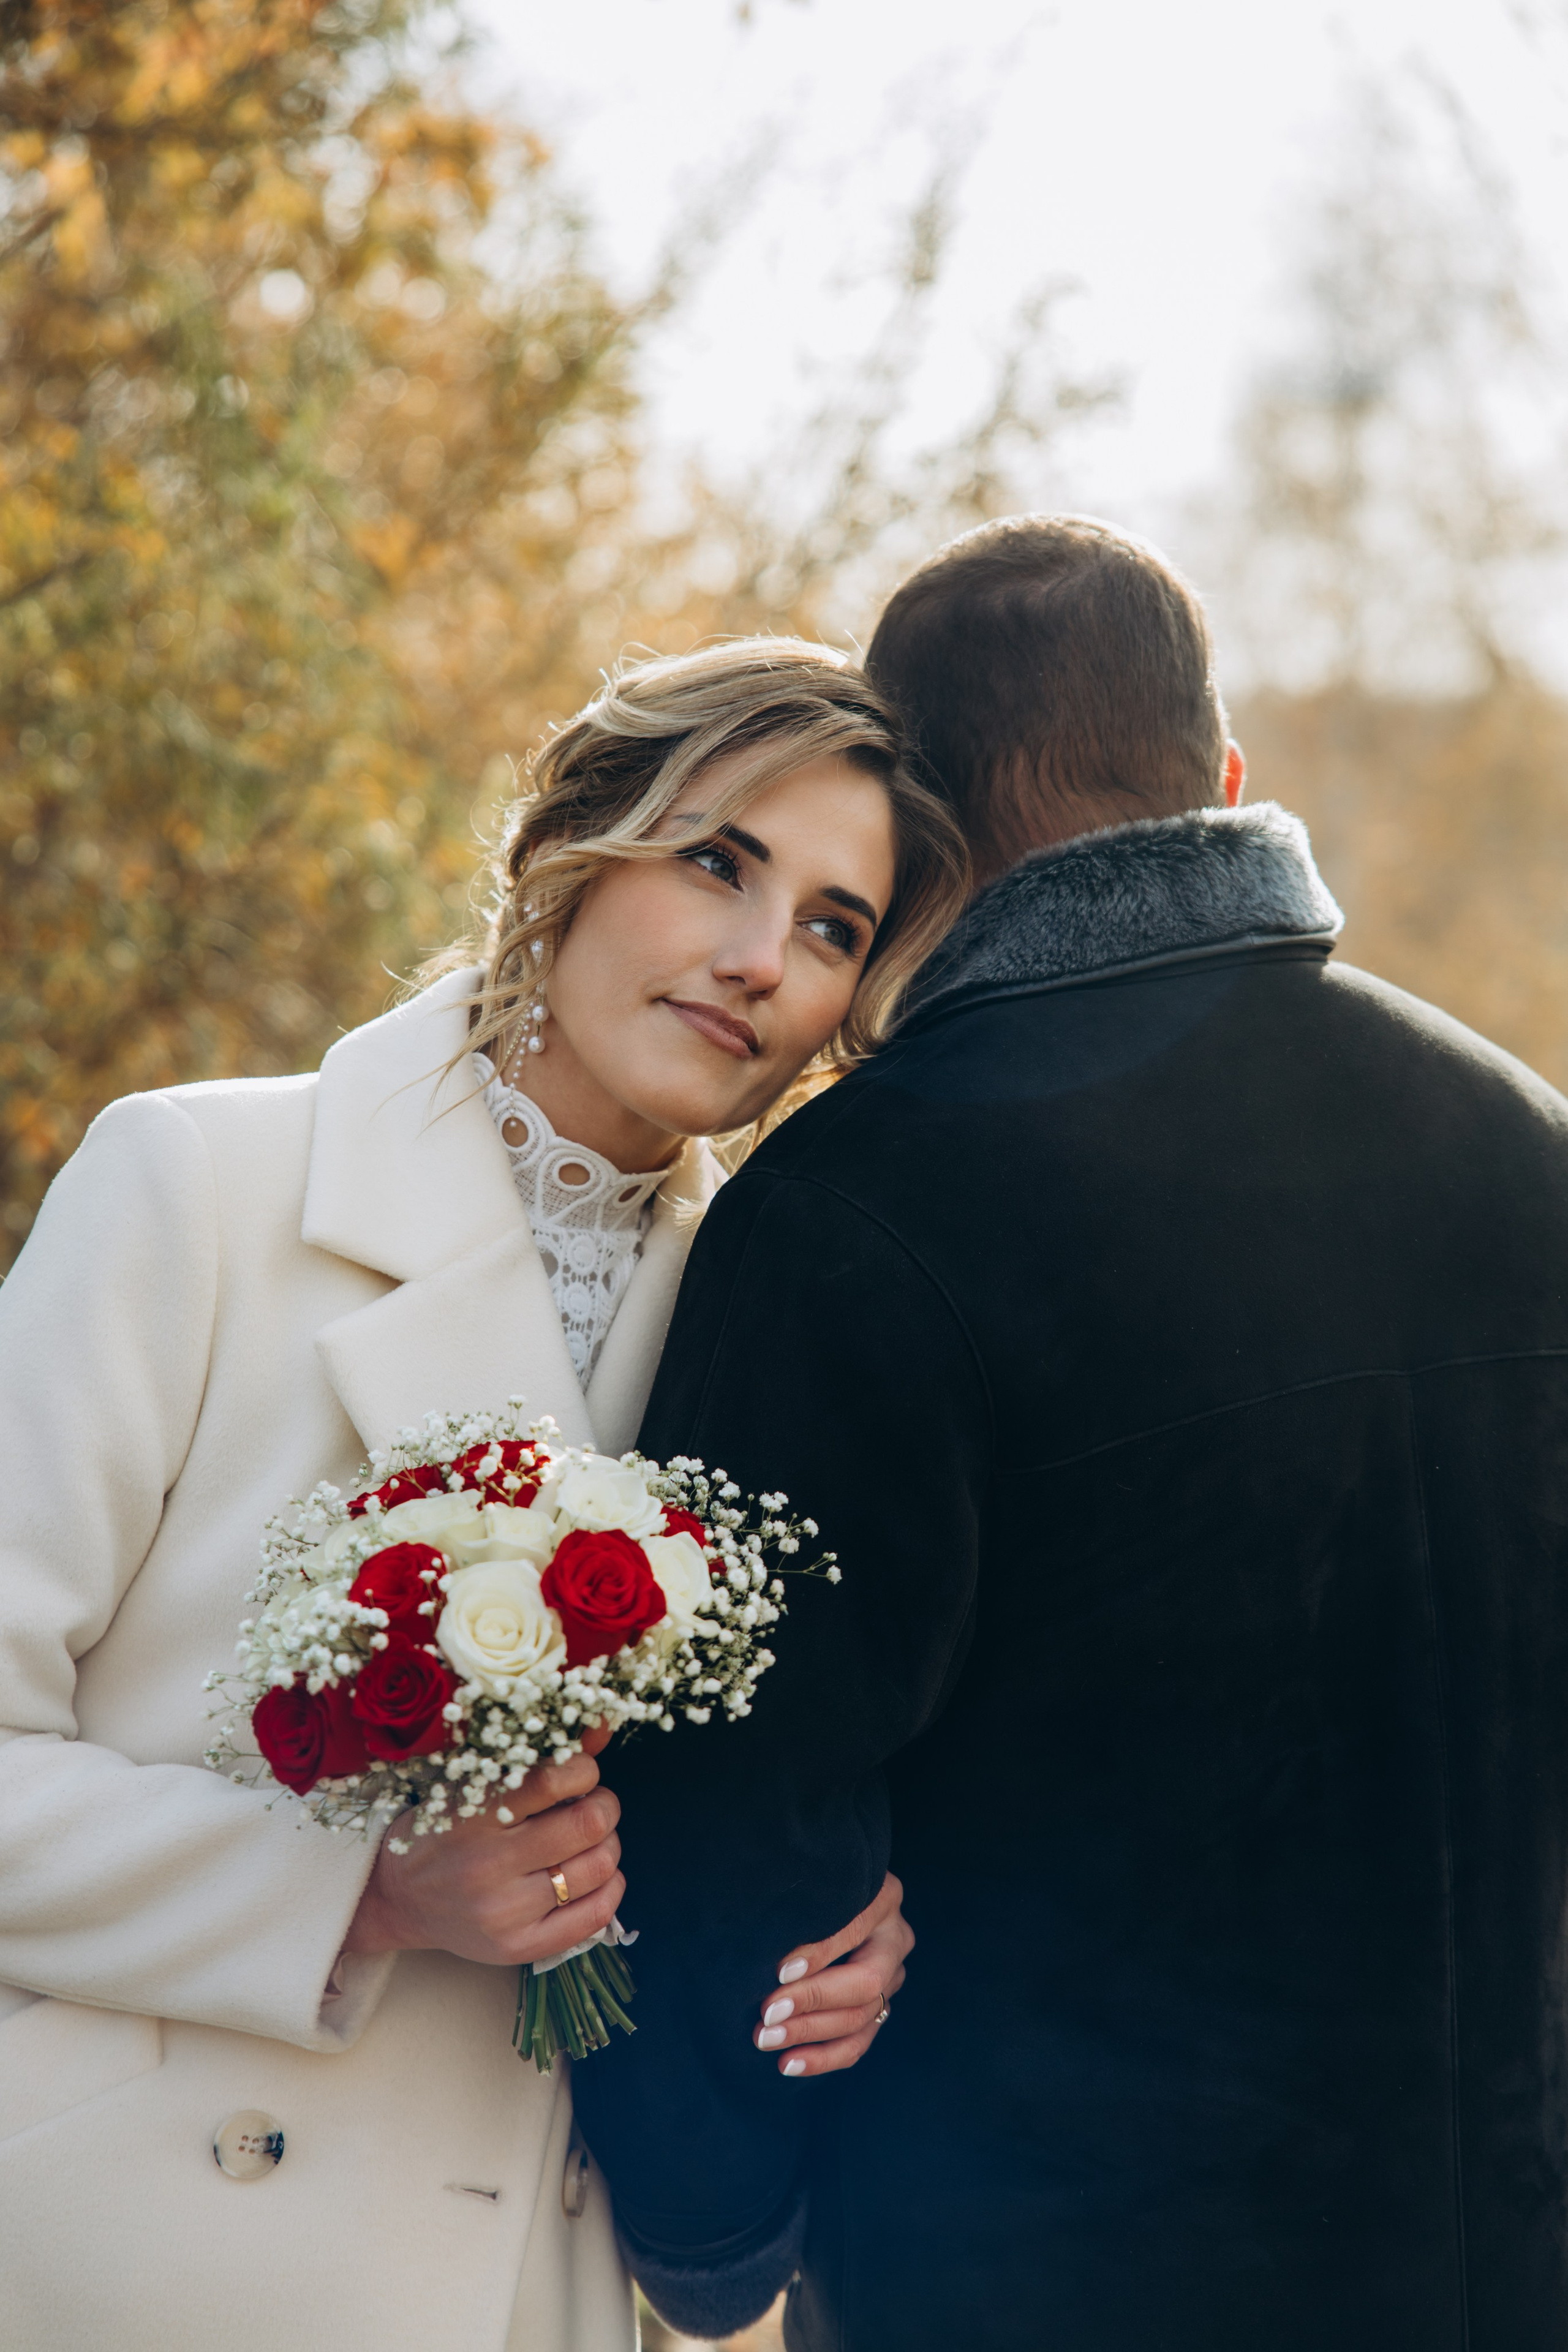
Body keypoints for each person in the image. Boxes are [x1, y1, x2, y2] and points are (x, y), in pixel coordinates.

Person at [574, 516, 1568, 2350]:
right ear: (1226, 775)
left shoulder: (860, 1208)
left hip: (1041, 2265)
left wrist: (714, 2222)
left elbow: (739, 1789)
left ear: (921, 828)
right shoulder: (1525, 1141)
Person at [0, 637, 968, 2352]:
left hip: (550, 2282)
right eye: (717, 862)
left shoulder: (797, 1323)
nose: (760, 960)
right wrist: (360, 1889)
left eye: (833, 927)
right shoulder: (199, 1188)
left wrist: (847, 1932)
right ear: (571, 848)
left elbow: (753, 1795)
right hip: (159, 2253)